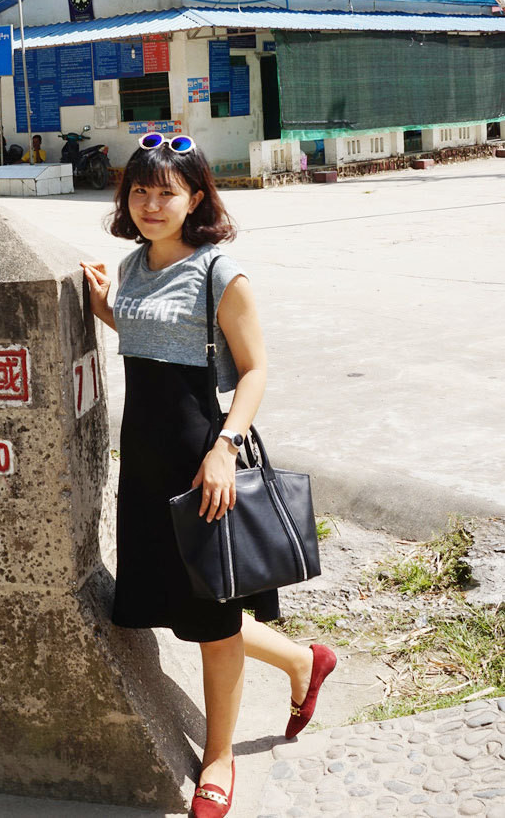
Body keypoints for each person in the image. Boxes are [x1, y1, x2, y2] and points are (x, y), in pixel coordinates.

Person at [81, 133, 335, 818]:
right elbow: (143, 338)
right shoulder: (132, 266)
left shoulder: (221, 272)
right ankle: (302, 661)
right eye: (140, 189)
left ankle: (218, 758)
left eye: (167, 191)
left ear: (195, 198)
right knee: (175, 601)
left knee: (213, 616)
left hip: (202, 457)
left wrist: (224, 448)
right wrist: (107, 305)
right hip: (142, 462)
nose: (151, 202)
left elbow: (254, 369)